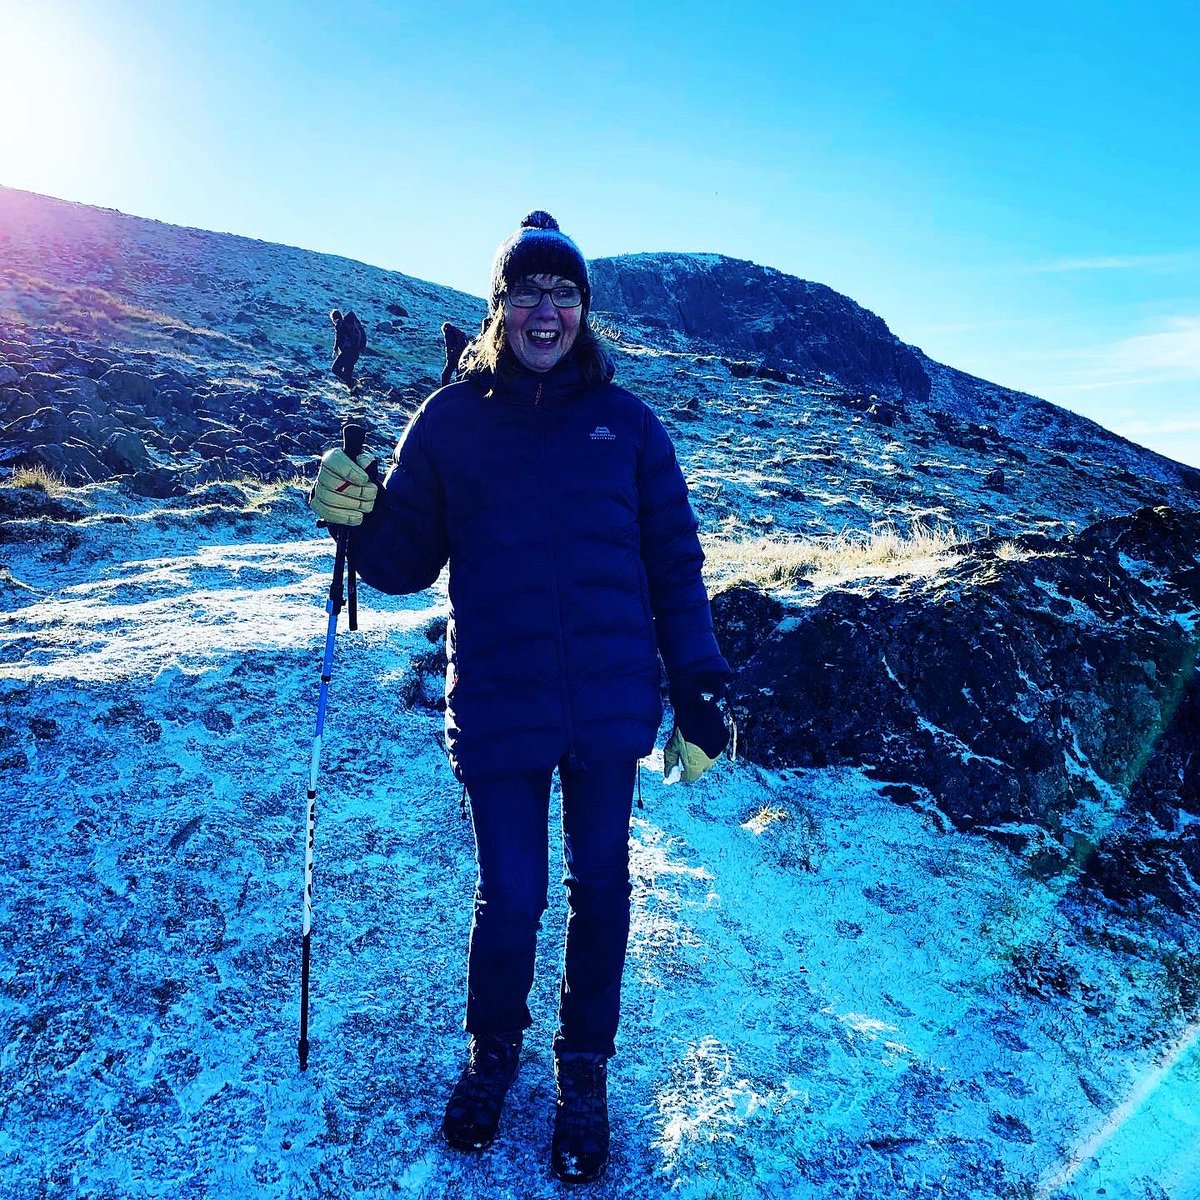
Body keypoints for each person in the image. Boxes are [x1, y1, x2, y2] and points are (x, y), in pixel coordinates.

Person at [309, 211, 730, 1183]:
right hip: (501, 701)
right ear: (499, 306)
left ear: (585, 308)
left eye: (564, 293)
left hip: (609, 703)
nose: (547, 311)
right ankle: (492, 1055)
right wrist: (353, 518)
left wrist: (701, 684)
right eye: (528, 292)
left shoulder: (628, 426)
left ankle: (584, 1074)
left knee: (603, 889)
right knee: (513, 896)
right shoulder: (450, 420)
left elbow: (675, 566)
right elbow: (406, 562)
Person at [330, 308, 366, 390]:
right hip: (355, 353)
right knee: (347, 374)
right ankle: (354, 392)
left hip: (347, 352)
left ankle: (353, 382)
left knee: (335, 369)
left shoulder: (340, 324)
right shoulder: (350, 325)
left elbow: (338, 338)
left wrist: (335, 350)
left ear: (334, 319)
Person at [439, 321, 469, 386]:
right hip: (462, 354)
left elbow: (448, 346)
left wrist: (448, 356)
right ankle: (458, 386)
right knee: (459, 372)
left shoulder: (448, 332)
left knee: (445, 374)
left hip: (455, 355)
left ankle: (444, 387)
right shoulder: (458, 332)